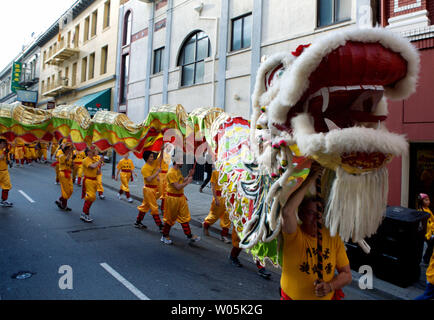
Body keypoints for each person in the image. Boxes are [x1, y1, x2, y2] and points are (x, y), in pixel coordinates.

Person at [280, 162, 352, 300]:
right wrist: (311, 178)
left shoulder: (333, 237)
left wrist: (330, 286)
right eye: (310, 213)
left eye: (319, 212)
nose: (316, 217)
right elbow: (287, 212)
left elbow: (347, 275)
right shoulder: (294, 235)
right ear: (300, 215)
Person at [161, 157, 200, 244]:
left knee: (184, 216)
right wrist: (188, 182)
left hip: (180, 198)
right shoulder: (171, 172)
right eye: (181, 160)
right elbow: (178, 187)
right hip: (172, 199)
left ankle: (189, 235)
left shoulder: (177, 171)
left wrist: (189, 175)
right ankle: (164, 236)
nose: (183, 162)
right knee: (170, 218)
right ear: (176, 161)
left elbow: (181, 181)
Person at [135, 151, 163, 230]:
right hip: (149, 189)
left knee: (145, 206)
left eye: (152, 156)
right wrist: (157, 173)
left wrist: (162, 149)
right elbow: (149, 179)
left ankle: (138, 222)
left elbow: (160, 158)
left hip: (154, 189)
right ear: (147, 158)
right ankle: (160, 225)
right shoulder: (144, 168)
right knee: (154, 207)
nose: (152, 158)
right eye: (151, 156)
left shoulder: (153, 163)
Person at [203, 168, 231, 243]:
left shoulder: (230, 172)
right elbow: (213, 187)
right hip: (218, 197)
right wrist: (216, 199)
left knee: (227, 217)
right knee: (214, 215)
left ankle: (224, 236)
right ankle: (206, 226)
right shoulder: (215, 172)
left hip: (228, 198)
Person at [81, 146, 104, 222]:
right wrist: (99, 161)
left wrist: (99, 167)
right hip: (88, 181)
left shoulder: (94, 159)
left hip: (94, 181)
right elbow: (92, 166)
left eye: (94, 150)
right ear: (88, 152)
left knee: (91, 198)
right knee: (90, 197)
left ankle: (84, 213)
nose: (94, 151)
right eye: (92, 150)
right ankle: (85, 213)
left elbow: (97, 172)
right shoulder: (85, 160)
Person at [55, 143, 74, 211]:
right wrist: (70, 154)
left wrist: (72, 164)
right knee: (66, 191)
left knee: (71, 190)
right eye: (68, 149)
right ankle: (64, 205)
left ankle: (60, 200)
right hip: (63, 174)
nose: (69, 151)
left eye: (70, 150)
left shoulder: (70, 157)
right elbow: (65, 160)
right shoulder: (61, 155)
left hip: (68, 174)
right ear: (65, 150)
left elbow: (71, 166)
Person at [417, 193, 434, 264]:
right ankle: (426, 258)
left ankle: (427, 258)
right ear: (421, 201)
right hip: (426, 233)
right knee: (431, 244)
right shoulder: (420, 211)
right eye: (426, 200)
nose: (428, 201)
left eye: (428, 200)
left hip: (431, 231)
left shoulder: (428, 209)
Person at [0, 139, 13, 207]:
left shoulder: (6, 151)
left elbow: (7, 161)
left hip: (5, 171)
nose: (4, 145)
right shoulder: (4, 151)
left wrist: (10, 162)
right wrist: (4, 153)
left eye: (5, 144)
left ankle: (4, 201)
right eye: (3, 143)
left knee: (6, 186)